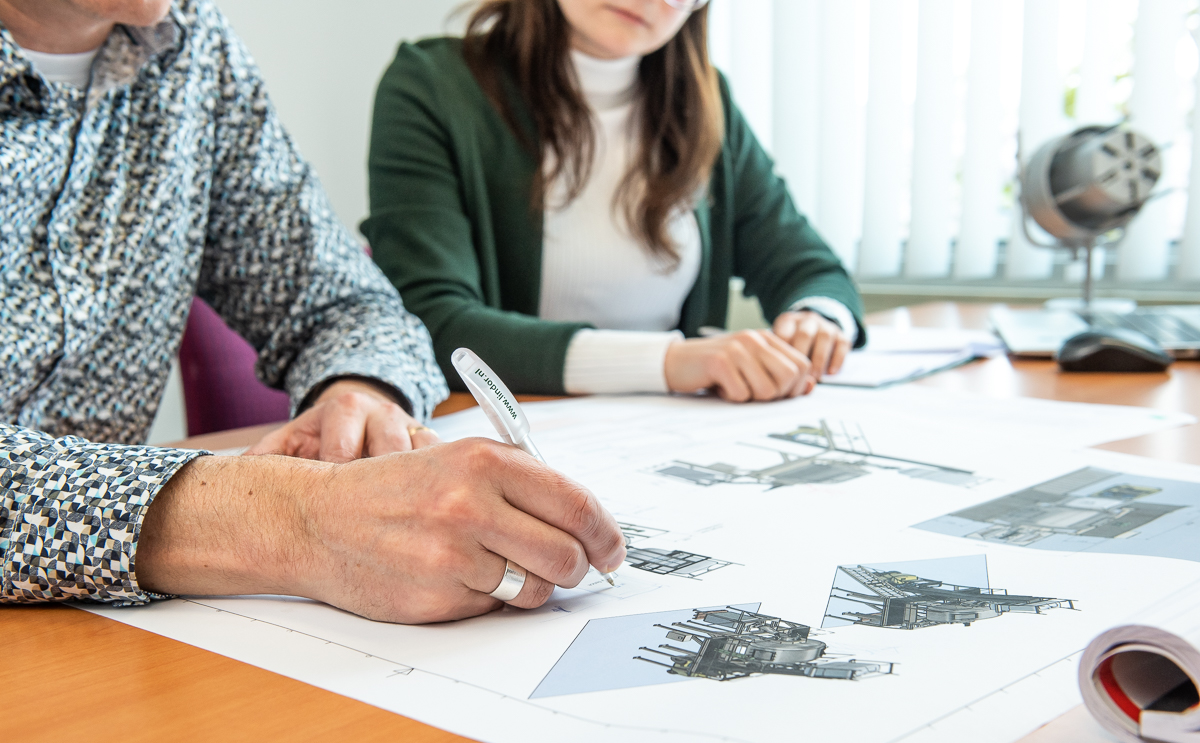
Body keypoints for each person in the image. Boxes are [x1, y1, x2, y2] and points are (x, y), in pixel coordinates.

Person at [0, 0, 625, 623]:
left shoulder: (188, 44)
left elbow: (343, 300)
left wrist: (358, 394)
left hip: (99, 631)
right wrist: (292, 519)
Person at [363, 0, 865, 403]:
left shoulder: (706, 101)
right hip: (509, 431)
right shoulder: (432, 85)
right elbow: (433, 321)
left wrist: (817, 319)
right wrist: (671, 363)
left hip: (665, 431)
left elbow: (811, 269)